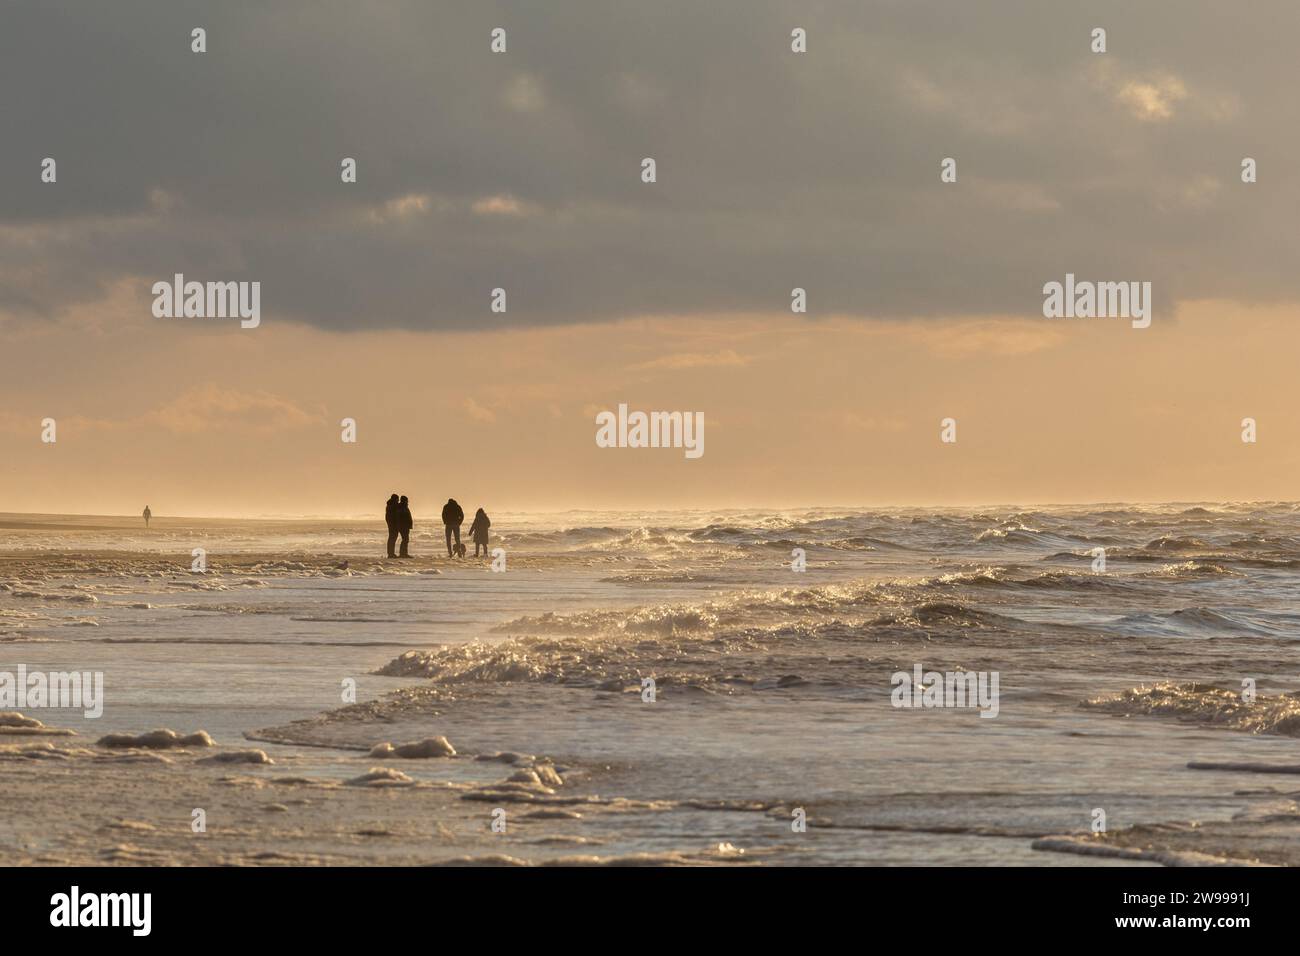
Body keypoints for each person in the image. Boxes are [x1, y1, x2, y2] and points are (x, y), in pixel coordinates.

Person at [384, 493, 400, 558]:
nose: (398, 501)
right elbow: (393, 515)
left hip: (391, 523)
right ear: (395, 499)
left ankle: (391, 553)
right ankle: (391, 553)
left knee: (392, 538)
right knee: (392, 538)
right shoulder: (392, 506)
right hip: (392, 524)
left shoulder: (390, 505)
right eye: (397, 499)